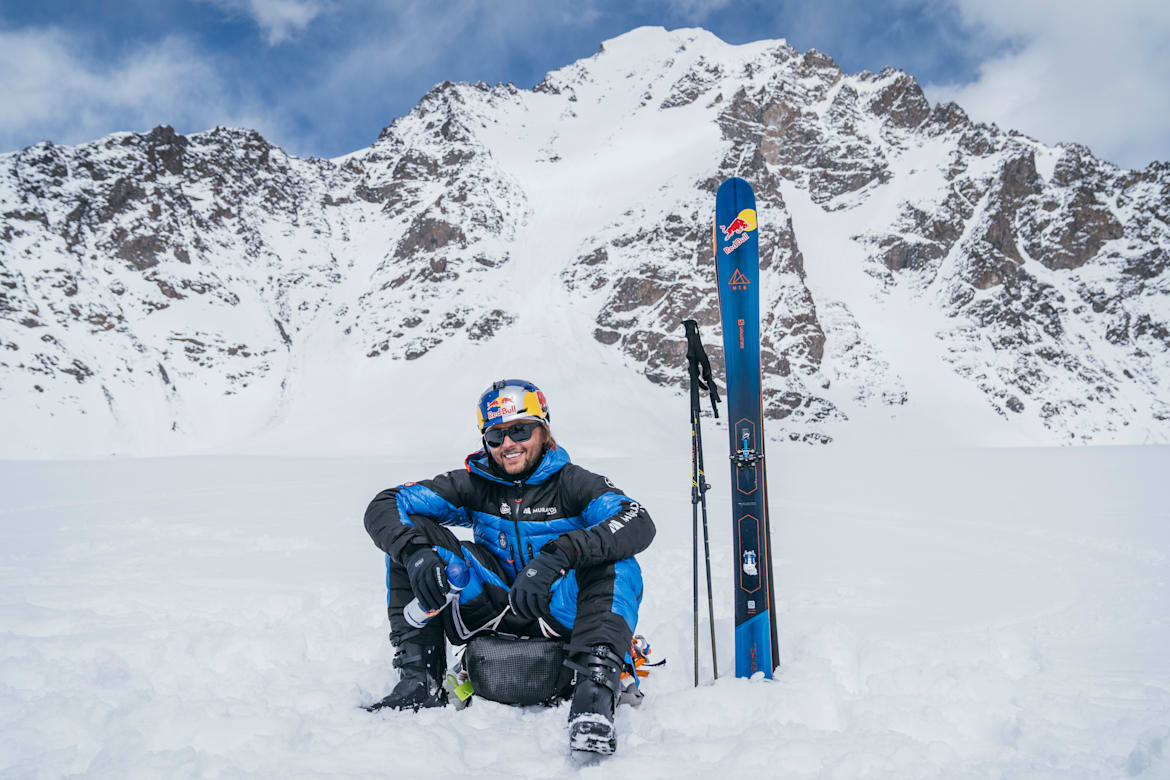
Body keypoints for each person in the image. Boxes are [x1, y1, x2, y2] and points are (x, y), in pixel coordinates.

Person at [363, 379, 655, 754]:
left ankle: (594, 698)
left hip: (562, 612)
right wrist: (417, 554)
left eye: (520, 429)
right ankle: (420, 681)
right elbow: (387, 502)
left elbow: (636, 519)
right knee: (411, 537)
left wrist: (558, 555)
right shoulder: (474, 483)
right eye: (496, 435)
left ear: (544, 430)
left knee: (617, 561)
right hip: (492, 608)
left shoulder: (575, 484)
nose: (508, 444)